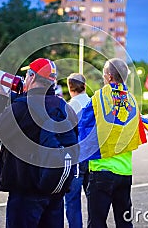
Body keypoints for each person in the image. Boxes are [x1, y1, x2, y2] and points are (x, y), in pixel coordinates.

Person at [0, 58, 78, 228]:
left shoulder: (22, 107)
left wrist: (0, 95)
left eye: (27, 75)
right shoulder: (64, 107)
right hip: (55, 190)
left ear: (31, 77)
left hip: (25, 193)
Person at [79, 58, 146, 228]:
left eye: (103, 74)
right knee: (124, 222)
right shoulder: (132, 100)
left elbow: (83, 126)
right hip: (125, 171)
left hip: (102, 170)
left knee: (97, 222)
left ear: (109, 77)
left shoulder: (99, 97)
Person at [65, 73, 91, 228]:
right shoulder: (93, 103)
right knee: (93, 200)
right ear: (85, 86)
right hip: (93, 156)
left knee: (72, 200)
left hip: (76, 158)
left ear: (70, 87)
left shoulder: (69, 107)